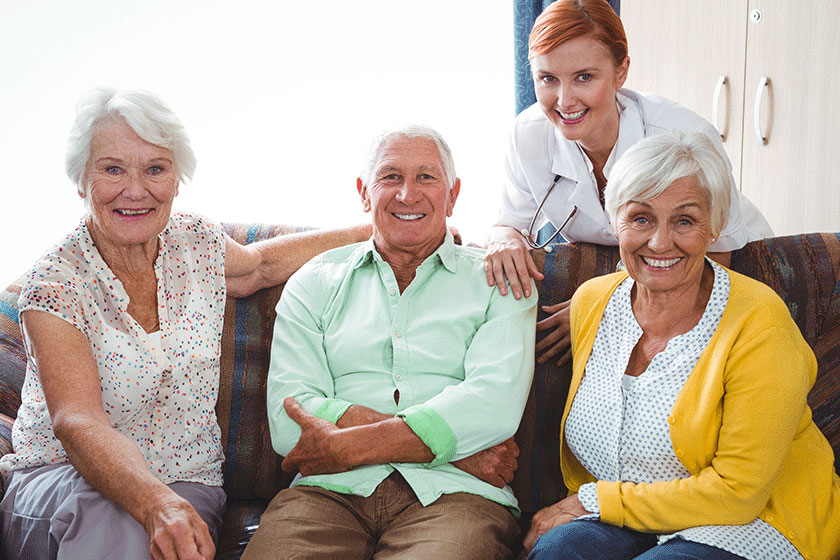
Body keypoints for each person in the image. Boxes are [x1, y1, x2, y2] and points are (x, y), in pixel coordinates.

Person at [0, 87, 371, 560]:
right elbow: (77, 420)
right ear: (81, 179)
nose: (136, 190)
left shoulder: (193, 241)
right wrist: (155, 504)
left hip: (186, 481)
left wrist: (380, 230)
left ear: (177, 180)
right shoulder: (55, 283)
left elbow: (259, 267)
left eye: (155, 169)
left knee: (154, 533)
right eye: (112, 169)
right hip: (61, 483)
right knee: (118, 520)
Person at [523, 131, 840, 560]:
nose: (659, 242)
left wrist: (594, 501)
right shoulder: (592, 303)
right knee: (559, 552)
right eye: (641, 218)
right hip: (624, 516)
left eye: (685, 221)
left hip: (751, 522)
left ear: (715, 227)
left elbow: (737, 493)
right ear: (614, 221)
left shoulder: (760, 323)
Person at [242, 126, 537, 559]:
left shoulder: (500, 282)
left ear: (453, 195)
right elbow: (291, 422)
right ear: (364, 193)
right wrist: (455, 452)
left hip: (456, 497)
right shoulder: (313, 282)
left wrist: (345, 444)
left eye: (426, 177)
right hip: (328, 493)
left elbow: (493, 407)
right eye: (391, 177)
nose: (407, 194)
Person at [484, 0, 773, 366]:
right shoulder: (528, 136)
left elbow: (715, 255)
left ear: (621, 72)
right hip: (635, 269)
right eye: (548, 79)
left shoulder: (682, 134)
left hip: (722, 265)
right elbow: (509, 223)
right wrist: (504, 237)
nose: (565, 100)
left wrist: (603, 307)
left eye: (584, 77)